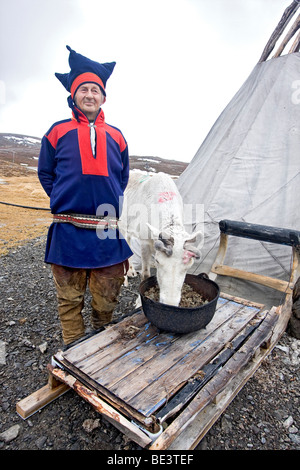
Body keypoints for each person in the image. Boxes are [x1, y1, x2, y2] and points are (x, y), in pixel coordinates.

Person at [38, 45, 133, 347]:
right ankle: (74, 348)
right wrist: (63, 199)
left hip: (107, 229)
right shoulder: (57, 132)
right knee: (69, 297)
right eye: (84, 90)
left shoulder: (117, 136)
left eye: (95, 90)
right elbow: (45, 173)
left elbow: (123, 177)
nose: (90, 95)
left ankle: (101, 343)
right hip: (68, 227)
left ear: (103, 97)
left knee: (108, 294)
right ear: (74, 95)